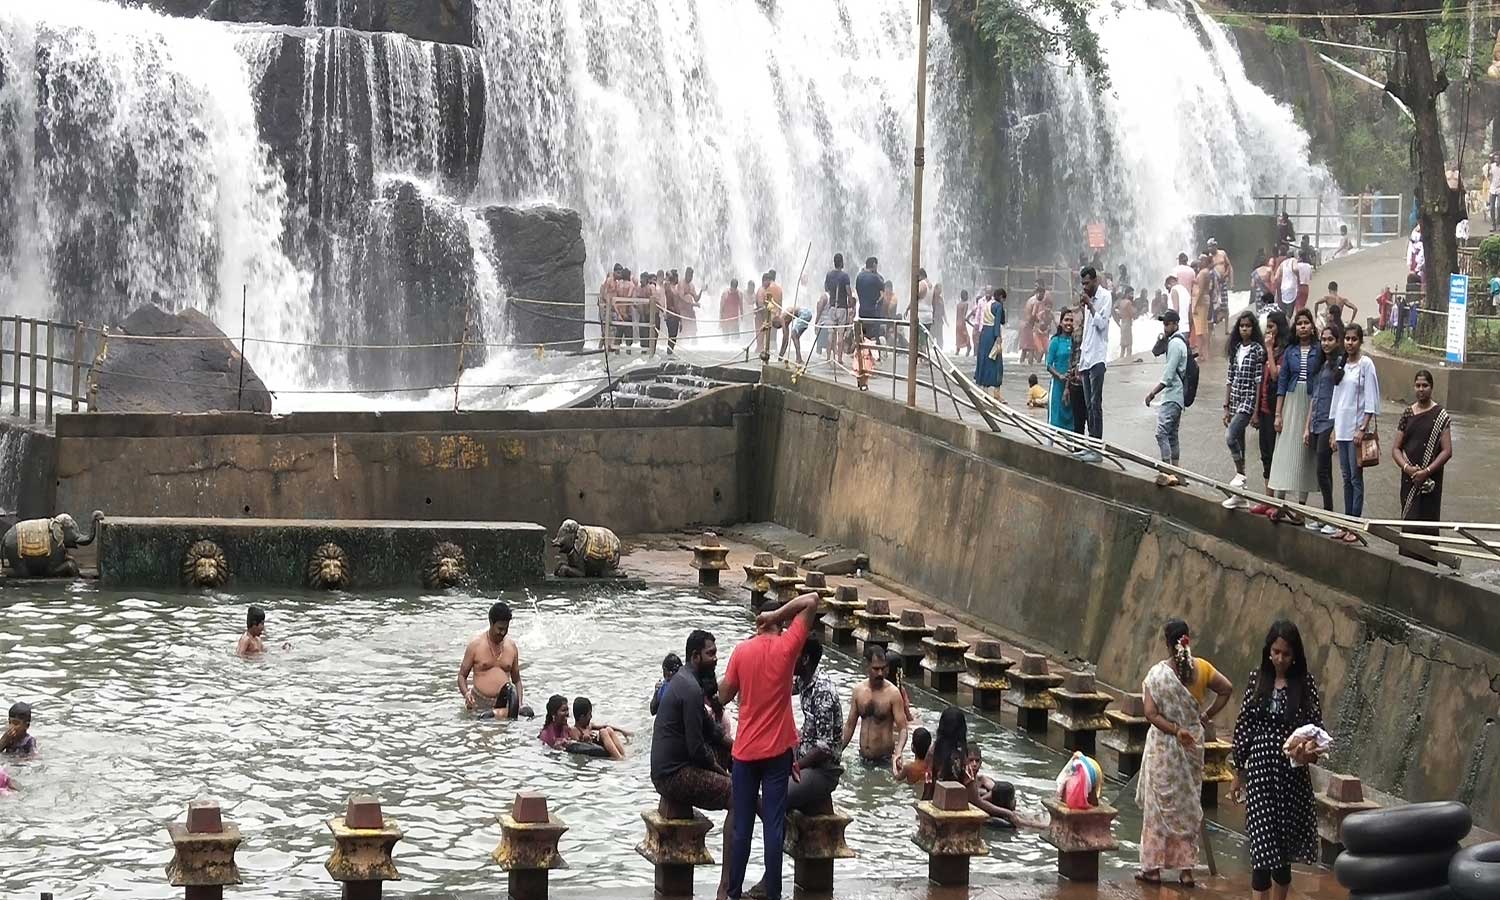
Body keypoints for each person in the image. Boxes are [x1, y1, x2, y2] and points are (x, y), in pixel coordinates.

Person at [719, 593, 819, 900]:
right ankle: (773, 894)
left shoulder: (741, 651)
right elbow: (812, 600)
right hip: (777, 754)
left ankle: (733, 892)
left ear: (758, 622)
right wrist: (779, 618)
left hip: (745, 753)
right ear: (778, 621)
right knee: (773, 828)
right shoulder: (789, 647)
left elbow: (722, 696)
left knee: (741, 828)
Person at [1231, 620, 1325, 900]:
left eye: (1285, 653)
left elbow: (1315, 728)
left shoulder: (1305, 685)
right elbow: (1245, 724)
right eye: (1275, 652)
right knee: (1260, 849)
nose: (1280, 659)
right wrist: (1238, 770)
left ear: (1295, 654)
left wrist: (1306, 749)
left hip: (1290, 775)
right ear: (1267, 651)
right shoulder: (1257, 679)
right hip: (1259, 770)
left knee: (1280, 851)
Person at [1138, 619, 1210, 886]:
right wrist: (1206, 715)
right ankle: (1186, 871)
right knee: (1188, 806)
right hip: (1192, 746)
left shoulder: (1156, 675)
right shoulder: (1202, 669)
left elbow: (1150, 713)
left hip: (1164, 748)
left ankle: (1152, 869)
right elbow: (1226, 689)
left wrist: (1175, 729)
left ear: (1167, 644)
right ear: (1187, 639)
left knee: (1158, 808)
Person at [1268, 309, 1323, 518]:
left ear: (1312, 326)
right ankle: (1279, 504)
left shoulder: (1319, 351)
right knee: (1283, 450)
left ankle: (1300, 508)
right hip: (1291, 401)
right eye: (1299, 323)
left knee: (1304, 454)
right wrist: (1278, 414)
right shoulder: (1289, 351)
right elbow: (1281, 383)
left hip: (1310, 402)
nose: (1302, 327)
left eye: (1306, 323)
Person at [1331, 324, 1380, 532]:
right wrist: (1333, 429)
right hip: (1341, 429)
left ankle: (1354, 524)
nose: (1350, 343)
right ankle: (1346, 522)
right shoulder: (1341, 365)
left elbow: (1371, 398)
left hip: (1356, 431)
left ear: (1360, 341)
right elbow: (1337, 398)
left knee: (1355, 477)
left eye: (1354, 339)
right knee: (1345, 477)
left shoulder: (1366, 365)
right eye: (1347, 339)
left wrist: (1363, 428)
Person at [787, 637, 843, 813]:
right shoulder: (804, 678)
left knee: (776, 795)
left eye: (793, 655)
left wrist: (796, 767)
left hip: (824, 769)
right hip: (805, 755)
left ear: (805, 659)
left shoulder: (823, 692)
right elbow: (782, 688)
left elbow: (824, 749)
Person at [1393, 369, 1453, 531]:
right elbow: (1396, 449)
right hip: (1410, 478)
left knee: (1428, 522)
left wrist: (1426, 471)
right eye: (1417, 385)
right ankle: (1406, 556)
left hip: (1431, 480)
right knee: (1409, 522)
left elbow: (1447, 451)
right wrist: (1408, 469)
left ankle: (1427, 556)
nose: (1421, 389)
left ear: (1431, 388)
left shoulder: (1441, 415)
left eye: (1425, 385)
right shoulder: (1408, 413)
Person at [841, 645, 910, 776]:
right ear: (867, 667)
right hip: (861, 758)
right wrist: (838, 751)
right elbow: (850, 726)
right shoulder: (858, 691)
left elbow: (903, 728)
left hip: (884, 762)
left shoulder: (893, 694)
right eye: (876, 669)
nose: (880, 673)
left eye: (883, 668)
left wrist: (899, 752)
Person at [1221, 311, 1267, 508]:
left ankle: (1240, 477)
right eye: (1241, 326)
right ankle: (1241, 493)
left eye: (1248, 326)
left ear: (1253, 328)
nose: (1244, 329)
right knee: (1239, 443)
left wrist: (1256, 411)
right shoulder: (1236, 349)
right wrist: (1226, 407)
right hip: (1235, 399)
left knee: (1230, 436)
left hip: (1248, 401)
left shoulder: (1257, 350)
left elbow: (1258, 382)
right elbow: (1230, 378)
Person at [458, 601, 525, 719]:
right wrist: (466, 694)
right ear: (491, 623)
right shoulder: (475, 645)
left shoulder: (512, 647)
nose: (503, 632)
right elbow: (462, 676)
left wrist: (519, 703)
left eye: (506, 628)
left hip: (504, 704)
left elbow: (517, 680)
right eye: (499, 628)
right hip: (479, 704)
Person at [1145, 308, 1188, 486]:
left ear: (1175, 324)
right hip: (1178, 397)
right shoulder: (1175, 342)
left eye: (1167, 324)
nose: (1165, 327)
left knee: (1161, 433)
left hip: (1172, 396)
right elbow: (1155, 352)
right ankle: (1177, 473)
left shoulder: (1176, 345)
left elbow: (1168, 375)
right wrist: (1161, 340)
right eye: (1164, 324)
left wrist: (1152, 393)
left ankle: (1167, 471)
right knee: (1171, 435)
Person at [1306, 325, 1342, 535]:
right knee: (1321, 470)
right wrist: (1306, 426)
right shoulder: (1320, 365)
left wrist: (1336, 429)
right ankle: (1325, 515)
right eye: (1323, 339)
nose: (1326, 343)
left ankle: (1330, 516)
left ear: (1337, 341)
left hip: (1330, 423)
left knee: (1323, 468)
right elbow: (1314, 397)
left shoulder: (1339, 366)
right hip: (1317, 421)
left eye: (1330, 339)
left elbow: (1340, 398)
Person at [1251, 311, 1289, 505]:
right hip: (1264, 409)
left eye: (1272, 326)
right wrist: (1255, 411)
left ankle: (1276, 501)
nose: (1268, 330)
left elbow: (1275, 376)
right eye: (1267, 326)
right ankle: (1268, 499)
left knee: (1276, 454)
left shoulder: (1284, 352)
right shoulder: (1269, 351)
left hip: (1277, 410)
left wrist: (1268, 349)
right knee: (1265, 454)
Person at [1074, 266, 1112, 459]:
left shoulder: (1105, 297)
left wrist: (1090, 305)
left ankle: (1097, 450)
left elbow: (1102, 324)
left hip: (1097, 359)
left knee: (1096, 403)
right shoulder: (1088, 301)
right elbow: (1087, 332)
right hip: (1087, 359)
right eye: (1082, 284)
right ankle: (1091, 445)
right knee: (1089, 404)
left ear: (1095, 281)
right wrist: (1080, 363)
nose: (1084, 287)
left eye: (1087, 283)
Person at [1046, 311, 1078, 432]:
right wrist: (1059, 376)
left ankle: (1069, 449)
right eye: (1066, 320)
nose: (1069, 323)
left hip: (1071, 386)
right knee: (1054, 419)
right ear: (1061, 323)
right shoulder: (1055, 341)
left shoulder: (1075, 341)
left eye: (1071, 320)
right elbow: (1048, 365)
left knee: (1071, 421)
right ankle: (1048, 448)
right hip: (1057, 386)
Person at [974, 287, 1006, 401]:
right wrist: (998, 338)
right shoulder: (998, 306)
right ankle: (996, 394)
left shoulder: (987, 304)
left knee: (984, 361)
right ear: (1001, 297)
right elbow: (998, 323)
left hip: (984, 334)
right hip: (992, 335)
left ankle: (984, 390)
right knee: (997, 363)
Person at [824, 254, 854, 366]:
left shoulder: (829, 275)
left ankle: (828, 357)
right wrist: (851, 302)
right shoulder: (845, 276)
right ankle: (839, 359)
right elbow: (848, 291)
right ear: (841, 262)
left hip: (831, 307)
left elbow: (826, 288)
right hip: (842, 307)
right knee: (840, 334)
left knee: (830, 333)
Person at [854, 257, 884, 343]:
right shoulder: (875, 278)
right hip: (873, 312)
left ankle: (863, 353)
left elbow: (857, 289)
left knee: (863, 335)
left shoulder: (859, 276)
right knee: (873, 337)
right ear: (874, 264)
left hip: (862, 311)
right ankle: (873, 354)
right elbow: (882, 292)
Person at [1021, 283, 1043, 364]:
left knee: (1024, 349)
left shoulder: (1030, 299)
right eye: (1042, 294)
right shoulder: (1036, 302)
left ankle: (1021, 365)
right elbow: (1033, 315)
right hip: (1029, 326)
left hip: (1024, 325)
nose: (1043, 296)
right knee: (1031, 349)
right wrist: (1037, 320)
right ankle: (1031, 368)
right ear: (1038, 293)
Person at [1275, 249, 1300, 320]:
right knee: (1290, 311)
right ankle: (1287, 324)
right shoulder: (1293, 260)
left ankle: (1284, 323)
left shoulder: (1282, 263)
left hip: (1283, 288)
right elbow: (1295, 269)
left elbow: (1276, 277)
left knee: (1284, 309)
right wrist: (1298, 276)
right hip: (1292, 287)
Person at [954, 290, 973, 355]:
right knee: (966, 336)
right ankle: (969, 348)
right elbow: (964, 315)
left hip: (957, 323)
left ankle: (957, 350)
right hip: (962, 322)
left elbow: (957, 315)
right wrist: (966, 321)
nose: (967, 297)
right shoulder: (966, 304)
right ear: (965, 296)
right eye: (967, 295)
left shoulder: (958, 304)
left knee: (958, 336)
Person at [1485, 151, 1500, 229]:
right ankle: (1493, 224)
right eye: (1495, 159)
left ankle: (1498, 222)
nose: (1496, 160)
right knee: (1491, 207)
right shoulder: (1492, 166)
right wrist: (1488, 170)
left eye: (1498, 159)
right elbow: (1489, 176)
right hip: (1493, 188)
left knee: (1499, 206)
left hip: (1499, 188)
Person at [931, 283, 947, 352]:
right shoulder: (931, 298)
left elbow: (943, 311)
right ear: (935, 289)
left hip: (939, 321)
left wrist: (946, 321)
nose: (940, 291)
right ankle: (930, 351)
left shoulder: (941, 299)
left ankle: (940, 351)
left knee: (940, 337)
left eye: (941, 290)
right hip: (933, 320)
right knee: (931, 336)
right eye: (939, 290)